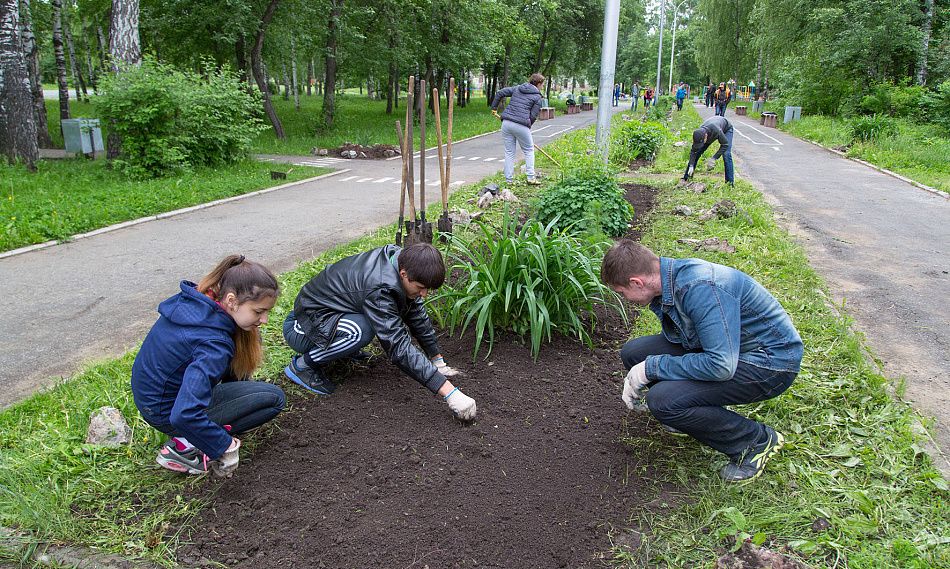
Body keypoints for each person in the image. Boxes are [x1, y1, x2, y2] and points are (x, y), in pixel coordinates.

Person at [600, 240, 803, 483]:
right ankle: (692, 413)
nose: (624, 299)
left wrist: (652, 368)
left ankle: (754, 441)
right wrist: (647, 365)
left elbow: (720, 365)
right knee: (635, 352)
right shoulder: (671, 279)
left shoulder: (700, 287)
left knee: (662, 399)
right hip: (734, 349)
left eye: (622, 293)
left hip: (769, 363)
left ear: (636, 282)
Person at [282, 243, 477, 421]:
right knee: (363, 330)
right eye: (421, 288)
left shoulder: (403, 262)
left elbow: (416, 313)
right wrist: (450, 393)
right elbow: (398, 347)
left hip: (330, 315)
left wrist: (438, 362)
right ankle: (303, 366)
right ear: (403, 274)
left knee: (373, 322)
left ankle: (345, 349)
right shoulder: (380, 288)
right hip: (304, 326)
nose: (424, 294)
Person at [131, 255, 285, 476]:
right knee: (273, 399)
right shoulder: (213, 345)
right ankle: (185, 446)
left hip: (155, 399)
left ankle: (201, 430)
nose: (265, 320)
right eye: (259, 311)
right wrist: (223, 446)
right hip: (169, 412)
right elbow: (183, 414)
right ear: (231, 300)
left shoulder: (200, 303)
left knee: (251, 337)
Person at [491, 73, 545, 186]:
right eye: (542, 85)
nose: (542, 87)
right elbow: (533, 116)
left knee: (509, 152)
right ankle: (530, 178)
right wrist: (527, 126)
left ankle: (509, 180)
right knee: (529, 150)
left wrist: (494, 108)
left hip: (506, 123)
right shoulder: (537, 97)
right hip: (521, 124)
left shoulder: (518, 88)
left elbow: (500, 93)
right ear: (539, 84)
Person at [683, 115, 734, 185]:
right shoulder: (699, 133)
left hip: (726, 129)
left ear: (706, 136)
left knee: (726, 154)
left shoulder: (717, 131)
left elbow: (725, 144)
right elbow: (694, 150)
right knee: (699, 151)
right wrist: (691, 165)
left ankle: (730, 183)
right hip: (711, 129)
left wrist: (714, 158)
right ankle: (687, 177)